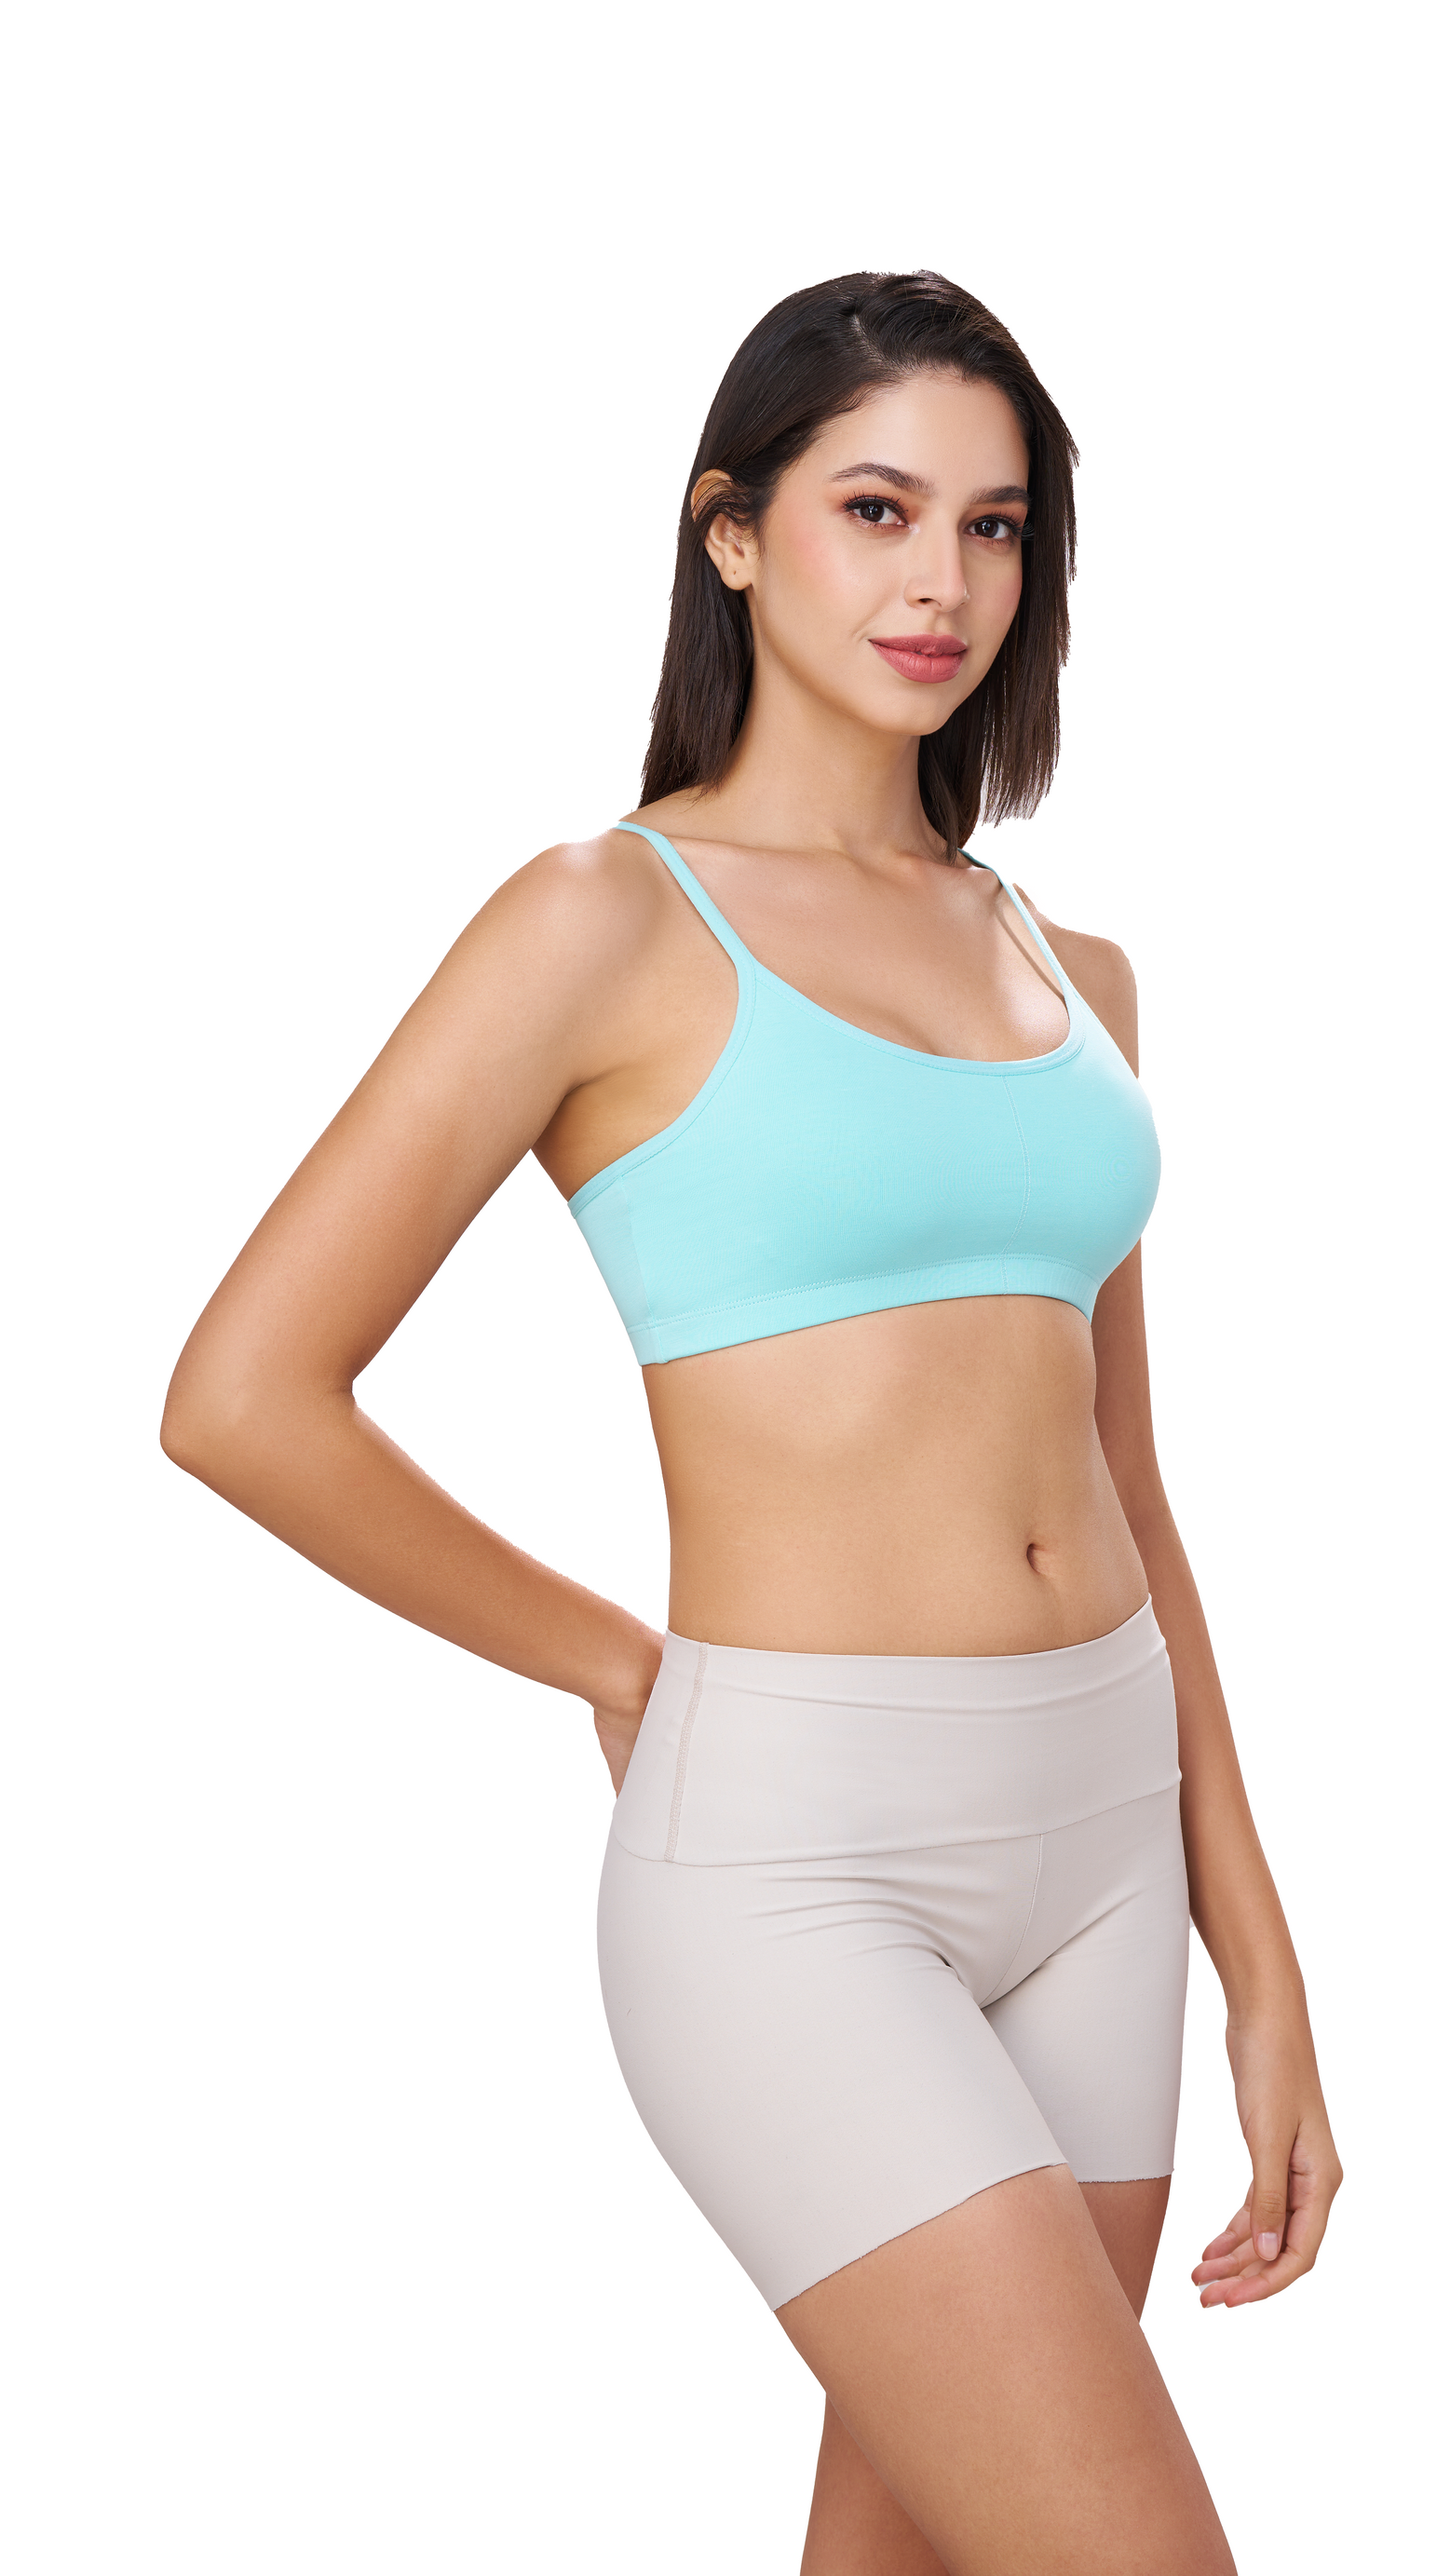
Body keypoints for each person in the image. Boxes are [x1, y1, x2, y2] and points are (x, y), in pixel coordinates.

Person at [163, 270, 1341, 2574]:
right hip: (797, 1859)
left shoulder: (1070, 970)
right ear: (731, 531)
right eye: (875, 508)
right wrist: (615, 1659)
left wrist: (1261, 1953)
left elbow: (1130, 1486)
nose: (941, 581)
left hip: (1106, 1839)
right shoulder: (602, 921)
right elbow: (243, 1395)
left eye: (994, 528)